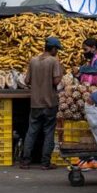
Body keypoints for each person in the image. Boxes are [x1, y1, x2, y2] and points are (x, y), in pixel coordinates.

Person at [20, 37, 63, 170]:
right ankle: (45, 163)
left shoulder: (33, 60)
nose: (57, 52)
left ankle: (25, 161)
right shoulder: (53, 61)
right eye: (57, 49)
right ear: (53, 49)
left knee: (31, 131)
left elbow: (27, 81)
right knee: (49, 132)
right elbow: (56, 82)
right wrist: (61, 72)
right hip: (49, 103)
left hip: (35, 103)